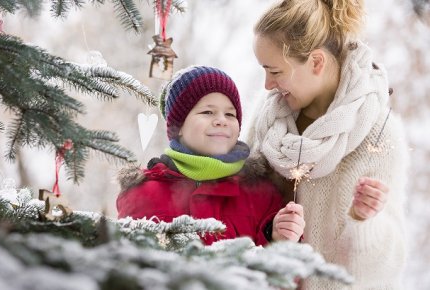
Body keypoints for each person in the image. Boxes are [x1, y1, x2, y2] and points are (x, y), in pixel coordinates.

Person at [246, 0, 409, 289]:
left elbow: (385, 271)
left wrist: (364, 222)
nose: (267, 85)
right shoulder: (268, 118)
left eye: (275, 71)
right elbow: (241, 212)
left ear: (316, 63)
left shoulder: (377, 135)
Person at [116, 66, 305, 246]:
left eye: (230, 114)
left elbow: (281, 273)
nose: (222, 120)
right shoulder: (142, 194)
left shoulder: (260, 194)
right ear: (179, 126)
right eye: (208, 112)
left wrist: (279, 240)